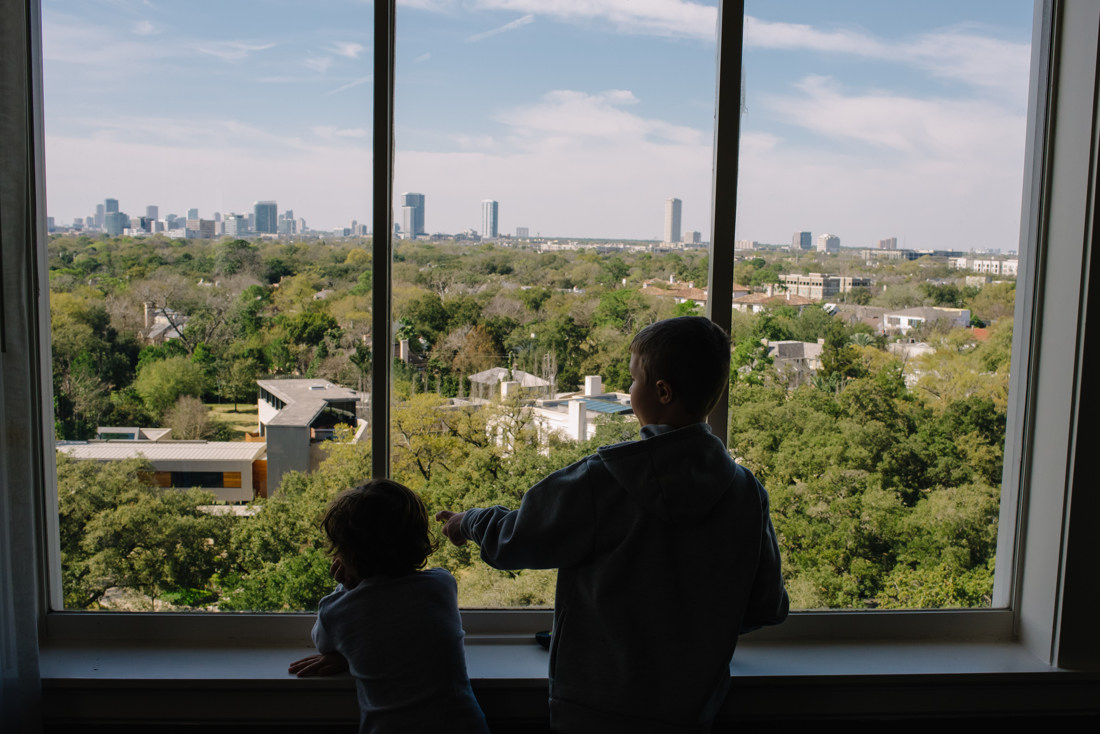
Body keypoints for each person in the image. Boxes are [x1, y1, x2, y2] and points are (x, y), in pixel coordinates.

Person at [437, 316, 789, 733]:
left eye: (634, 379)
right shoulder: (745, 492)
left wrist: (470, 522)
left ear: (662, 392)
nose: (629, 390)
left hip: (593, 703)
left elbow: (518, 538)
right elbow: (766, 605)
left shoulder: (603, 479)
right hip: (689, 708)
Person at [289, 479, 489, 734]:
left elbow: (324, 642)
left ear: (345, 554)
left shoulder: (339, 608)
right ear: (418, 540)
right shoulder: (441, 585)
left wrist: (345, 586)